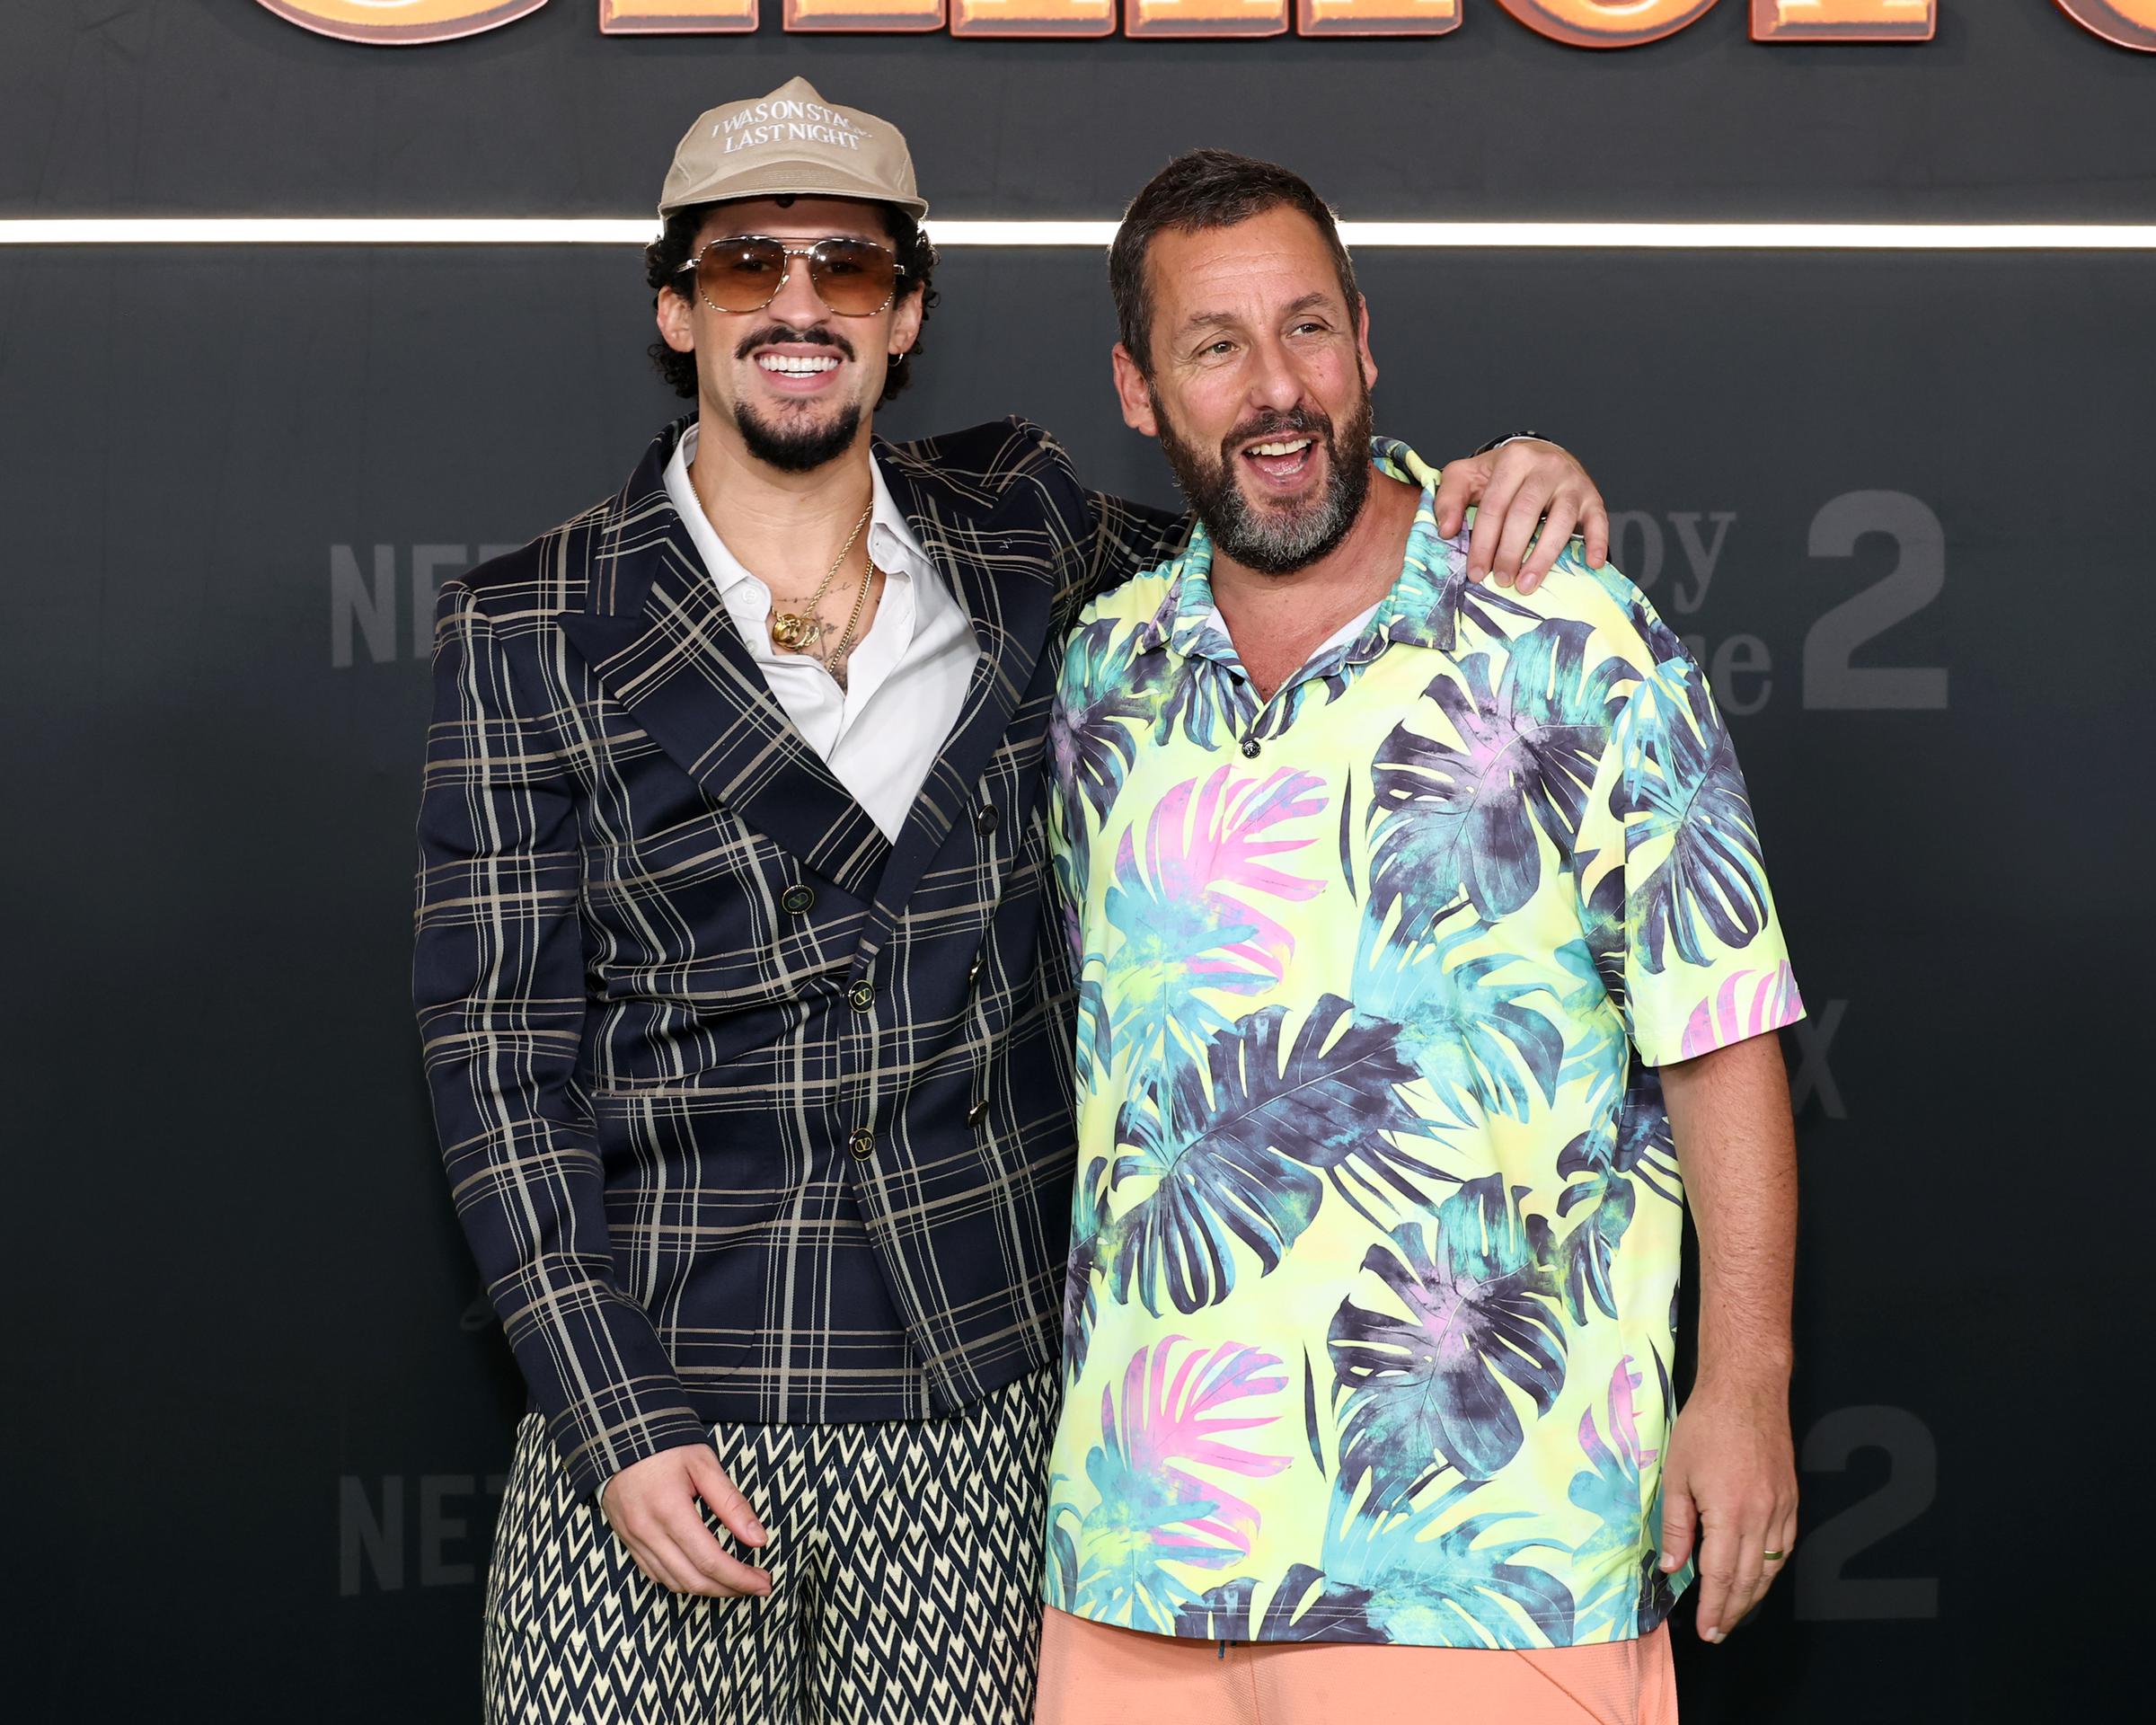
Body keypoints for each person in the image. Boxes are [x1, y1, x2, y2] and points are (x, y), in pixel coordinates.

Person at [412, 79, 1611, 1725]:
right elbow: (493, 1055)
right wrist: (615, 1415)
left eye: (846, 266)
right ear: (677, 306)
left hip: (977, 1421)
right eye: (748, 263)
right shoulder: (530, 621)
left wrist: (1475, 480)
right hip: (661, 1414)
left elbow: (1288, 526)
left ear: (905, 316)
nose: (797, 304)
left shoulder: (1036, 538)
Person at [1037, 149, 1804, 1724]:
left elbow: (1720, 1028)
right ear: (1135, 387)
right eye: (1215, 345)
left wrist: (1746, 1388)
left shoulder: (1563, 625)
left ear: (1367, 340)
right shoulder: (1100, 670)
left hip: (1489, 1553)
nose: (1276, 389)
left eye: (1307, 329)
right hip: (1135, 1564)